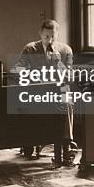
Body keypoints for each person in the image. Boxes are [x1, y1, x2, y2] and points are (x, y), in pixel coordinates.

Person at [14, 19, 74, 167]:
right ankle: (31, 141)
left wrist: (59, 63)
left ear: (57, 34)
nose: (50, 40)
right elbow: (18, 67)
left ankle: (67, 145)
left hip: (60, 88)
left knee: (67, 102)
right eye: (46, 36)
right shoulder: (30, 49)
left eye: (53, 36)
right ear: (40, 34)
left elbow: (70, 76)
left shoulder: (66, 50)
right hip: (37, 88)